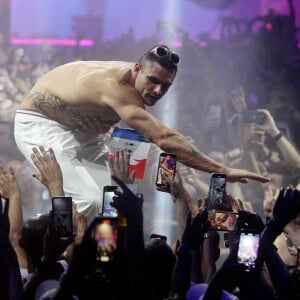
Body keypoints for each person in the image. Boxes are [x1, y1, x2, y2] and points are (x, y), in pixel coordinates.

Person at [14, 44, 269, 223]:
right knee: (90, 202)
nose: (158, 90)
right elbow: (164, 138)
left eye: (165, 86)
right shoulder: (117, 88)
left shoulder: (134, 81)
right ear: (137, 69)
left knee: (113, 201)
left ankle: (104, 259)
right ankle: (57, 256)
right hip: (40, 124)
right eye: (153, 81)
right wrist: (223, 170)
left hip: (77, 129)